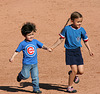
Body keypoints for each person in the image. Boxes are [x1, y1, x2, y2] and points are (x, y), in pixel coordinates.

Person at [50, 11, 93, 93]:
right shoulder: (67, 29)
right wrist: (53, 47)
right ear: (72, 21)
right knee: (74, 70)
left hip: (78, 52)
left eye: (81, 22)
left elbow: (85, 40)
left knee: (81, 71)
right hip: (69, 52)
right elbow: (60, 40)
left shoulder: (82, 30)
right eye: (78, 22)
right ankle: (69, 87)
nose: (79, 23)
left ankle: (73, 74)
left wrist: (89, 50)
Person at [9, 22, 51, 93]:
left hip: (35, 64)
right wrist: (12, 57)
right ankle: (20, 76)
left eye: (32, 34)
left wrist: (47, 48)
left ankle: (36, 89)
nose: (31, 36)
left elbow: (42, 45)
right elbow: (17, 51)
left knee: (35, 77)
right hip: (26, 64)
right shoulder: (22, 44)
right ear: (24, 35)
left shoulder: (35, 41)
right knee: (25, 76)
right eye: (29, 35)